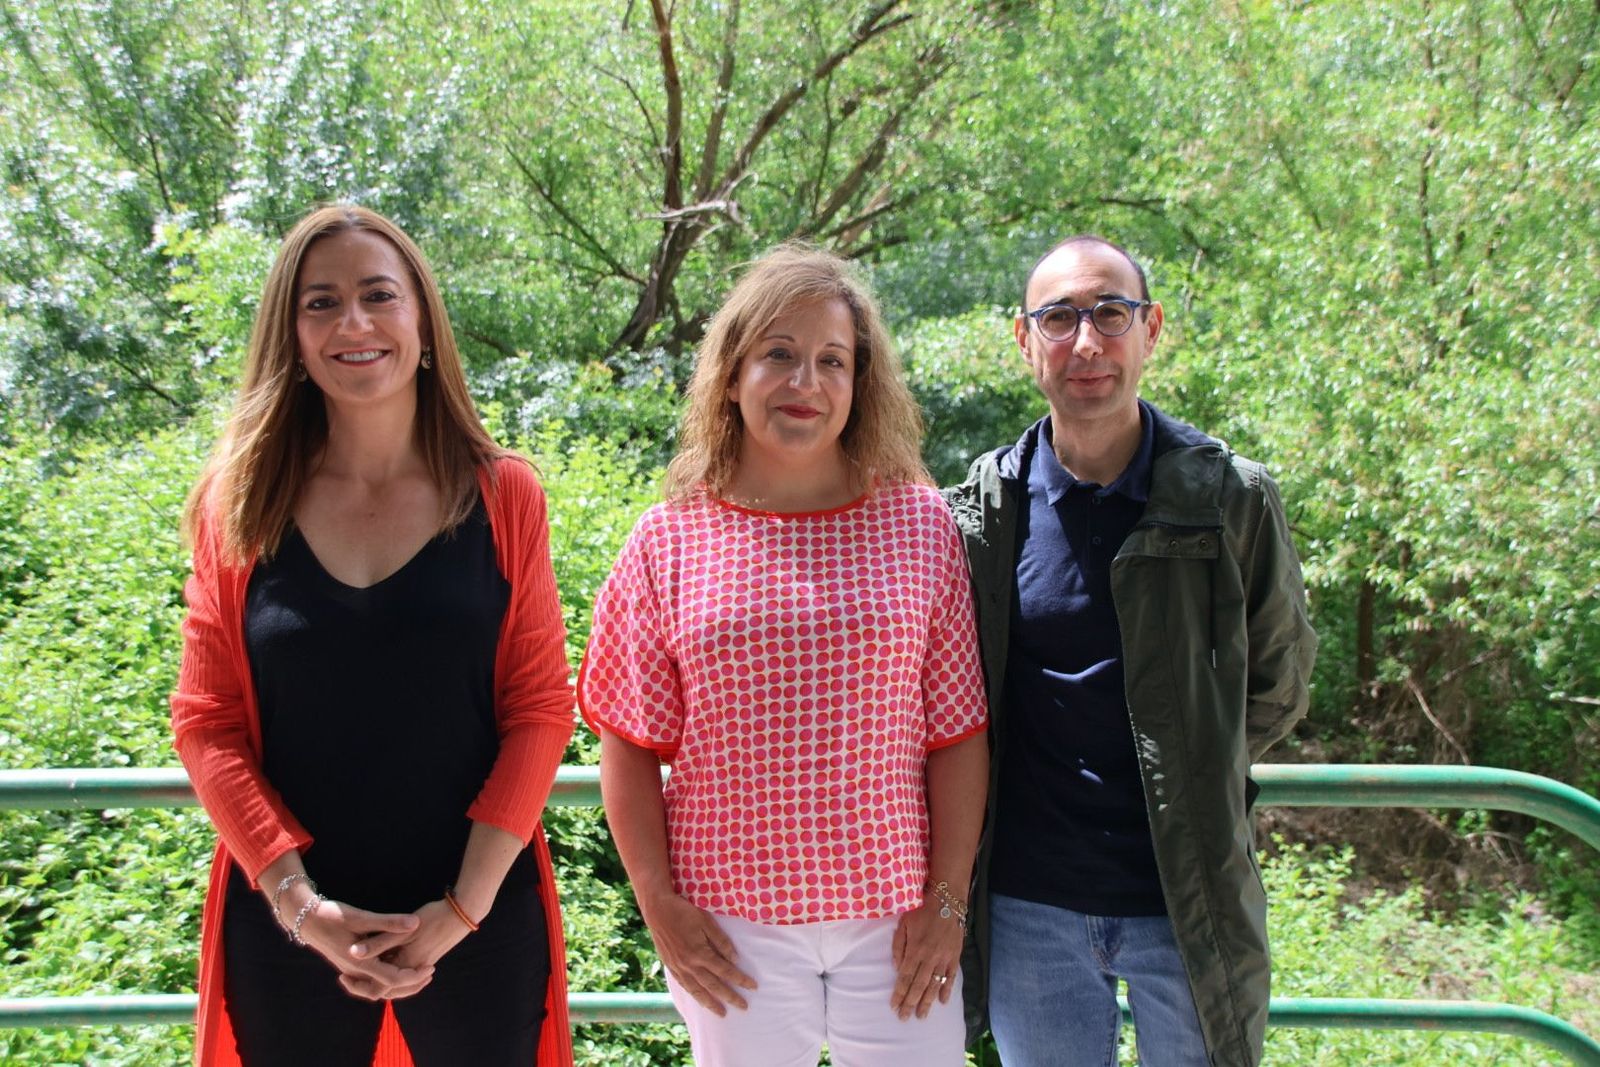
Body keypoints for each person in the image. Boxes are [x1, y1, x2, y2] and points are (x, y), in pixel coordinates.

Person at [169, 205, 575, 1067]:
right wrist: (301, 906)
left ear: (422, 322)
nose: (352, 322)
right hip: (290, 922)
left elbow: (540, 708)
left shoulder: (504, 495)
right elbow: (206, 722)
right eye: (320, 302)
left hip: (478, 914)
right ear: (292, 334)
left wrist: (459, 911)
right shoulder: (234, 505)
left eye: (377, 295)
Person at [578, 245, 989, 1067]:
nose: (806, 382)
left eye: (831, 360)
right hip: (731, 930)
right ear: (731, 375)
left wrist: (949, 902)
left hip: (897, 920)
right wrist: (658, 903)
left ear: (857, 383)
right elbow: (625, 740)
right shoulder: (669, 540)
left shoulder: (918, 522)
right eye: (779, 355)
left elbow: (957, 731)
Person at [944, 235, 1317, 1067]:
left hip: (1184, 900)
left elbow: (1280, 680)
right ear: (1023, 339)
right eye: (1059, 318)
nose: (1086, 343)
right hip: (1027, 905)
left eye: (1110, 314)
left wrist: (1191, 766)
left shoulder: (1229, 497)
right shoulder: (980, 509)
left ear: (1151, 330)